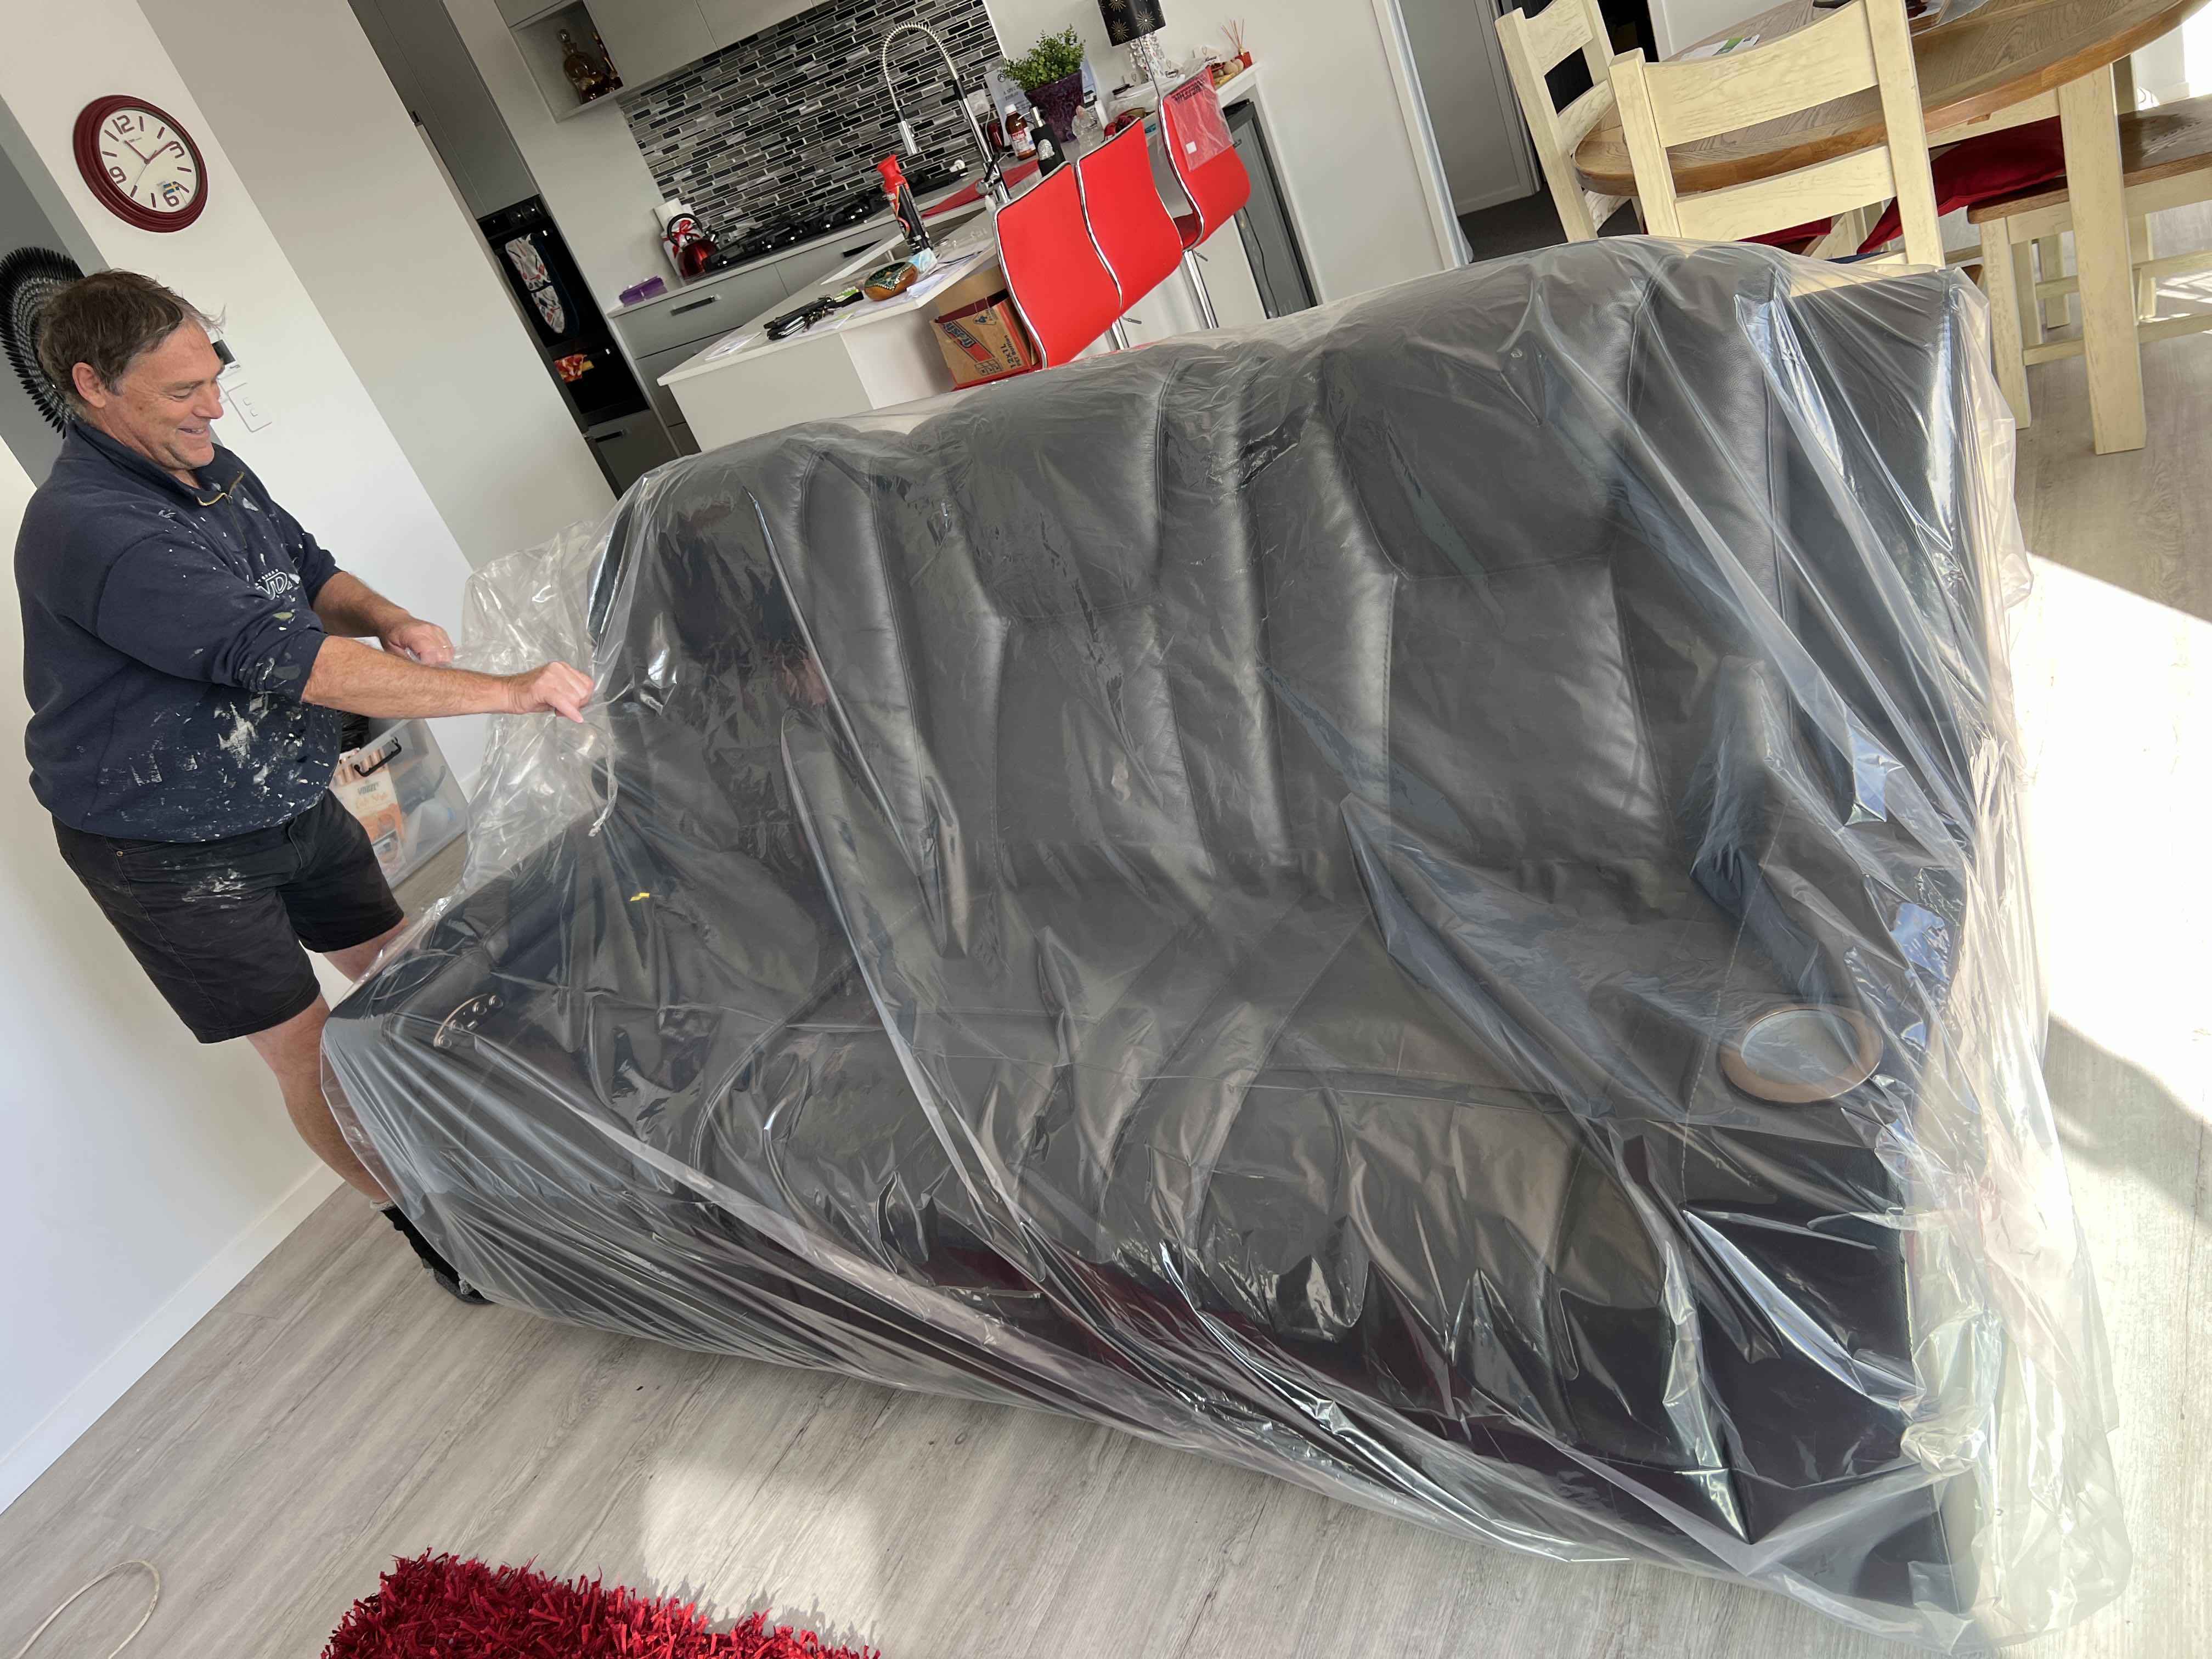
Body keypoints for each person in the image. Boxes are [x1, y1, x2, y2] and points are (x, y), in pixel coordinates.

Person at [14, 270, 594, 1301]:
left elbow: (306, 575)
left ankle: (500, 1159)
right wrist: (507, 693)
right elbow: (288, 660)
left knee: (406, 973)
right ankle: (433, 1225)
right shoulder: (92, 528)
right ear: (93, 384)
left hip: (280, 791)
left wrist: (385, 616)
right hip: (165, 845)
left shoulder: (207, 466)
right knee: (312, 1051)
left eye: (214, 377)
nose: (212, 408)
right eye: (182, 391)